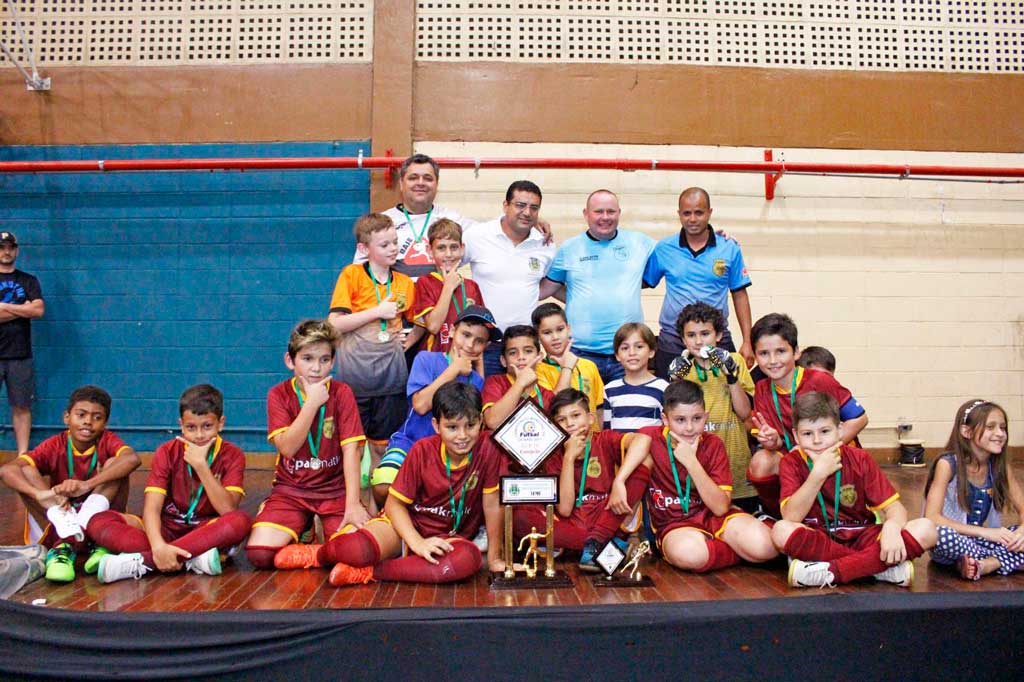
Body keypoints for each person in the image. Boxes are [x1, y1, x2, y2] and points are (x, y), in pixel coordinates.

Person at [275, 382, 506, 586]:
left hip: (449, 535)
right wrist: (416, 543)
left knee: (468, 561)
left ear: (481, 424)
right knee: (353, 549)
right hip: (405, 526)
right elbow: (395, 505)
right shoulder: (422, 450)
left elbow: (492, 503)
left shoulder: (487, 448)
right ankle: (319, 555)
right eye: (452, 427)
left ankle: (371, 572)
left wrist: (495, 557)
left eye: (471, 426)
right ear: (436, 425)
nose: (462, 436)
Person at [85, 384, 252, 583]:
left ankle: (144, 562)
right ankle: (192, 559)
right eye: (191, 427)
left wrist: (201, 467)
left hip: (205, 529)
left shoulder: (233, 455)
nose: (199, 435)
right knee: (97, 521)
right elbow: (152, 507)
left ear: (221, 423)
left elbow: (227, 509)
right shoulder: (166, 451)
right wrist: (157, 546)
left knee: (240, 521)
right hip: (167, 529)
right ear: (181, 424)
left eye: (207, 426)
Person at [608, 380, 776, 573]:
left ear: (706, 416)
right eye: (680, 420)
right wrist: (619, 480)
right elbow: (632, 441)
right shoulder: (651, 437)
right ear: (665, 419)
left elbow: (720, 508)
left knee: (765, 547)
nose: (689, 428)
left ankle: (736, 546)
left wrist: (691, 462)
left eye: (697, 419)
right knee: (690, 554)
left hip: (716, 518)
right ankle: (740, 551)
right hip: (674, 525)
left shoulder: (713, 444)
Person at [772, 392, 936, 588]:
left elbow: (896, 508)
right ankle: (878, 568)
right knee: (780, 531)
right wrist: (817, 475)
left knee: (927, 529)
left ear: (840, 430)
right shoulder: (791, 462)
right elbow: (791, 516)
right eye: (807, 433)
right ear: (796, 435)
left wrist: (892, 527)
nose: (817, 440)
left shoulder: (859, 458)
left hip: (862, 536)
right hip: (820, 540)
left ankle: (829, 572)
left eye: (825, 431)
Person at [245, 320, 367, 570]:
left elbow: (351, 451)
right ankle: (305, 529)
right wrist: (311, 404)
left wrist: (353, 504)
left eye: (324, 360)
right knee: (259, 554)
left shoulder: (342, 393)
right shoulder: (278, 394)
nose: (316, 368)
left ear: (333, 362)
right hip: (292, 491)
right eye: (308, 359)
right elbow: (287, 448)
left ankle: (316, 552)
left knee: (358, 550)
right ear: (290, 361)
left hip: (334, 491)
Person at [0, 385, 139, 582]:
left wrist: (87, 484)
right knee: (25, 469)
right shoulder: (54, 444)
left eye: (97, 417)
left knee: (115, 464)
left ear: (105, 423)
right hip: (62, 520)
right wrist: (40, 494)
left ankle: (87, 531)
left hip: (98, 519)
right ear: (67, 417)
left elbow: (132, 459)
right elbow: (6, 470)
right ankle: (65, 540)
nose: (88, 422)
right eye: (81, 415)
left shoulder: (106, 440)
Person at [370, 305, 499, 506]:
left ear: (485, 347)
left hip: (449, 453)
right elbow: (421, 405)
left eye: (479, 341)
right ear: (453, 331)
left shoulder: (477, 381)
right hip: (409, 443)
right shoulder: (426, 359)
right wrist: (453, 370)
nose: (470, 345)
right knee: (383, 484)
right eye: (466, 335)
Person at [512, 389, 649, 571]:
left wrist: (619, 481)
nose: (570, 424)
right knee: (520, 518)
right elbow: (565, 510)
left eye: (576, 415)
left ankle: (597, 541)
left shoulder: (604, 440)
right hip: (572, 524)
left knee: (643, 462)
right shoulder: (553, 453)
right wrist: (569, 457)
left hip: (606, 515)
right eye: (561, 420)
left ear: (591, 418)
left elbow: (644, 440)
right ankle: (603, 547)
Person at [747, 313, 868, 517]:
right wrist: (772, 440)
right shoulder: (761, 389)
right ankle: (778, 514)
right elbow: (778, 443)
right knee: (761, 462)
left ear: (796, 353)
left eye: (781, 351)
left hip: (829, 452)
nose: (773, 360)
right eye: (764, 354)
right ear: (755, 356)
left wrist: (824, 447)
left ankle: (841, 514)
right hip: (794, 458)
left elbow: (860, 418)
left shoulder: (819, 380)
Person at [329, 213, 418, 490]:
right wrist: (377, 312)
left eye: (395, 242)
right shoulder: (352, 274)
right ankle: (353, 502)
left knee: (384, 445)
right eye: (384, 245)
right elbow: (335, 324)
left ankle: (380, 508)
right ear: (364, 249)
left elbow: (421, 322)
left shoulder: (403, 282)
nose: (392, 249)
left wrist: (410, 340)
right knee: (353, 447)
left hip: (390, 374)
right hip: (355, 375)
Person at [543, 189, 655, 384]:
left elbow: (677, 251)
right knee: (580, 413)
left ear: (619, 213)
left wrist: (719, 238)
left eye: (611, 212)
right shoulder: (569, 248)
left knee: (626, 412)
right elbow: (545, 289)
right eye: (598, 211)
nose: (605, 217)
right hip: (580, 354)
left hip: (627, 354)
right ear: (586, 214)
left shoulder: (640, 242)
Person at [644, 188, 754, 378]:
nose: (693, 219)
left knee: (729, 393)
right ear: (679, 214)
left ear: (710, 212)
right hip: (673, 340)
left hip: (717, 338)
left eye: (699, 212)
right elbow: (642, 282)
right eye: (687, 213)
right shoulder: (664, 248)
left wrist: (747, 340)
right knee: (671, 398)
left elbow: (739, 293)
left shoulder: (729, 248)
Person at [668, 303, 757, 512]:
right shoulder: (682, 367)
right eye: (691, 335)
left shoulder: (734, 360)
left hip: (734, 456)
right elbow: (676, 418)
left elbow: (745, 413)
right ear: (683, 340)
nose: (699, 341)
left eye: (705, 333)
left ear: (718, 336)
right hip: (700, 460)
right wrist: (673, 381)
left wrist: (731, 376)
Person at [463, 180, 558, 376]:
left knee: (527, 405)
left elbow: (547, 286)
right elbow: (446, 264)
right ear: (505, 205)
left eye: (534, 208)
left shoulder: (545, 244)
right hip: (485, 345)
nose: (527, 212)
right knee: (483, 405)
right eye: (520, 205)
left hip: (525, 348)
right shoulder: (476, 236)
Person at [924, 399, 1024, 580]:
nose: (1000, 433)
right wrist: (986, 533)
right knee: (940, 535)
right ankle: (997, 560)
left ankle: (986, 564)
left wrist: (1021, 533)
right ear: (966, 431)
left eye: (1003, 428)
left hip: (986, 542)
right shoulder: (947, 464)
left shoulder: (1000, 467)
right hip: (955, 540)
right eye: (991, 427)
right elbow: (931, 518)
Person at [410, 218, 486, 353]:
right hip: (435, 357)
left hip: (466, 358)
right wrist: (448, 288)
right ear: (429, 250)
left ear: (462, 249)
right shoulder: (425, 282)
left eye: (454, 247)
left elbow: (481, 330)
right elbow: (433, 326)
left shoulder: (471, 286)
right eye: (441, 248)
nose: (449, 254)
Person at [0, 230, 44, 455]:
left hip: (20, 354)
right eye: (2, 248)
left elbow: (38, 310)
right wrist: (22, 309)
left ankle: (22, 455)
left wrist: (5, 308)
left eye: (10, 248)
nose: (6, 252)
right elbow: (29, 309)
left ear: (16, 250)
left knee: (21, 406)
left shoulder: (28, 280)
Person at [532, 302, 604, 422]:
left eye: (560, 329)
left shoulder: (589, 366)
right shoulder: (537, 372)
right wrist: (567, 368)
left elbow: (600, 409)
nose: (555, 337)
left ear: (568, 329)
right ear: (538, 336)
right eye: (547, 333)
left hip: (592, 438)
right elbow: (552, 407)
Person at [481, 325, 554, 430]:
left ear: (539, 357)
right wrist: (520, 383)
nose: (521, 357)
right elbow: (493, 422)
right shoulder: (495, 382)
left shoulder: (547, 395)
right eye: (512, 353)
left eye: (528, 351)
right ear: (503, 361)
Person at [603, 322, 667, 433]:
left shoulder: (663, 388)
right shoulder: (609, 390)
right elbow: (607, 431)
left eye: (639, 347)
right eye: (625, 348)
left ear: (651, 352)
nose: (632, 353)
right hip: (619, 449)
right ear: (617, 355)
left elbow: (667, 428)